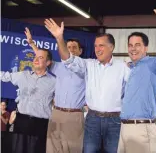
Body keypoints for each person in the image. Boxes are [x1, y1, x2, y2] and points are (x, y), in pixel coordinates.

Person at [44, 19, 131, 152]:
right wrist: (59, 38)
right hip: (93, 119)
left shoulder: (123, 67)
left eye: (101, 45)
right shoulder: (88, 65)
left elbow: (132, 92)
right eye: (95, 46)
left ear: (111, 47)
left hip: (115, 120)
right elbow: (68, 59)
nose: (97, 49)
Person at [117, 0, 156, 153]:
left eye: (138, 45)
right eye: (130, 45)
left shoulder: (152, 65)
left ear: (146, 48)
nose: (133, 48)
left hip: (141, 130)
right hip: (124, 129)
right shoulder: (130, 68)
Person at [25, 27, 86, 153]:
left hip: (74, 116)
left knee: (72, 149)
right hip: (56, 114)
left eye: (74, 47)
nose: (70, 50)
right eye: (68, 47)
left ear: (80, 51)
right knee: (52, 149)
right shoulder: (58, 67)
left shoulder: (86, 68)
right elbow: (42, 59)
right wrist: (32, 44)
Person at [0, 49, 56, 153]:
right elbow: (4, 76)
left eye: (41, 57)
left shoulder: (54, 82)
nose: (36, 59)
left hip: (41, 125)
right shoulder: (23, 75)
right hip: (21, 122)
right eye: (35, 57)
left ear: (48, 63)